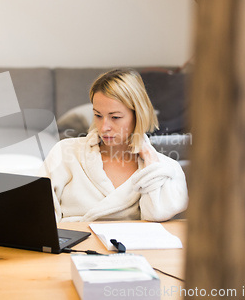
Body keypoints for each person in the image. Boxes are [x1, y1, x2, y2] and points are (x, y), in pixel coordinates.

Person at [39, 69, 188, 222]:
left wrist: (150, 161)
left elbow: (157, 215)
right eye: (98, 115)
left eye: (115, 117)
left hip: (128, 246)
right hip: (72, 244)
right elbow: (39, 213)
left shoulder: (165, 170)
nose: (104, 127)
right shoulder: (65, 152)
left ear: (138, 115)